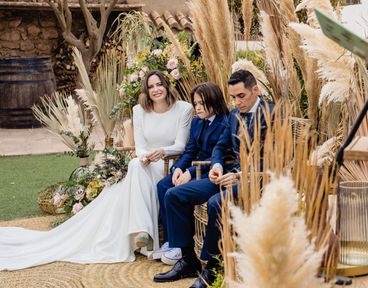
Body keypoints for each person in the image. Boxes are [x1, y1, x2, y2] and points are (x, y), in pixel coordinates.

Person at [0, 70, 192, 270]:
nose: (155, 90)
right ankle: (143, 231)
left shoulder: (183, 109)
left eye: (159, 84)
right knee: (135, 164)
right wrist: (145, 156)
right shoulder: (139, 110)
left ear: (167, 85)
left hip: (169, 165)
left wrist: (162, 152)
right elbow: (141, 146)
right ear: (146, 90)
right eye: (151, 86)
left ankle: (143, 233)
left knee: (133, 170)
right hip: (145, 164)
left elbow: (181, 145)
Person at [154, 69, 273, 288]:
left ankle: (212, 265)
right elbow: (221, 146)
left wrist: (240, 176)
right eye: (233, 97)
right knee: (173, 194)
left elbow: (278, 158)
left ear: (255, 90)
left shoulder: (273, 114)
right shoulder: (235, 116)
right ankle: (188, 259)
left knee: (216, 202)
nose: (236, 102)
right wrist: (217, 165)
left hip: (257, 178)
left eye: (241, 96)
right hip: (227, 174)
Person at [153, 82, 231, 263]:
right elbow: (190, 150)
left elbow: (219, 156)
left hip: (210, 170)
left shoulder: (225, 122)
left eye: (201, 103)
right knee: (163, 184)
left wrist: (190, 171)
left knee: (178, 190)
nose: (197, 107)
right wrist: (179, 168)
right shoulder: (197, 122)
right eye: (195, 103)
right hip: (193, 167)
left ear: (214, 101)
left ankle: (182, 246)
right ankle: (172, 240)